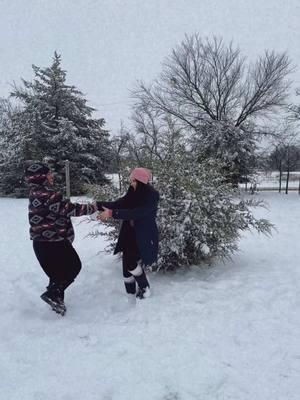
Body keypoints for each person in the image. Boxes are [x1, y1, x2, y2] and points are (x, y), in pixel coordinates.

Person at [25, 162, 97, 315]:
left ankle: (57, 303)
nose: (52, 176)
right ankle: (53, 295)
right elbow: (70, 209)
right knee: (74, 266)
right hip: (54, 243)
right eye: (49, 173)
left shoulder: (34, 193)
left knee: (57, 274)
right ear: (41, 177)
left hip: (40, 243)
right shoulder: (48, 194)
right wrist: (94, 207)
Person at [97, 167, 159, 299]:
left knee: (131, 263)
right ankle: (130, 293)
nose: (131, 183)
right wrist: (98, 205)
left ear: (141, 181)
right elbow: (119, 204)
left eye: (134, 181)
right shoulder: (133, 192)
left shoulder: (152, 196)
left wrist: (111, 213)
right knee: (126, 265)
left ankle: (144, 287)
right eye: (131, 180)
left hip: (144, 235)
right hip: (130, 233)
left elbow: (137, 213)